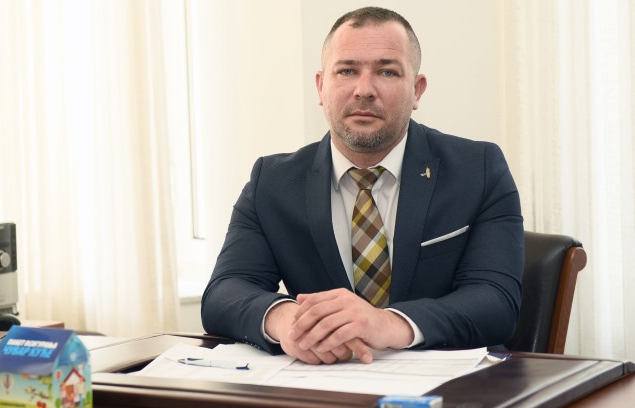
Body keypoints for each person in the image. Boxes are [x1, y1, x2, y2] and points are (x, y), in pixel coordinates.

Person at [201, 6, 523, 365]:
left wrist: (388, 323)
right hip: (323, 380)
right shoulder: (272, 182)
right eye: (347, 71)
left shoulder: (478, 170)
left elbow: (497, 302)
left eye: (387, 71)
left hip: (449, 384)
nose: (364, 90)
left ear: (417, 90)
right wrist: (288, 320)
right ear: (321, 86)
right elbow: (223, 293)